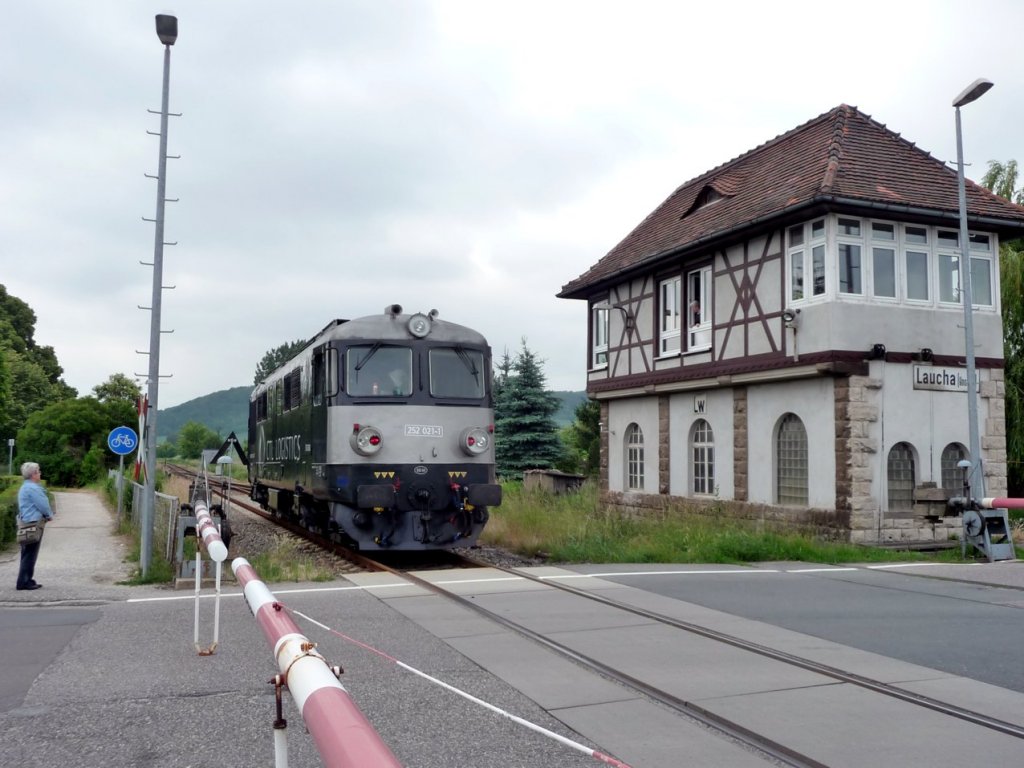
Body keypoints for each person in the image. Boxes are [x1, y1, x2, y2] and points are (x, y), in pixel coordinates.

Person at [16, 461, 54, 591]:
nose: (40, 473)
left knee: (27, 552)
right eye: (38, 471)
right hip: (32, 523)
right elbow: (43, 504)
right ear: (33, 474)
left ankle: (26, 579)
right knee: (30, 553)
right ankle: (24, 582)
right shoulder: (33, 488)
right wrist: (49, 514)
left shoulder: (26, 486)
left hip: (26, 521)